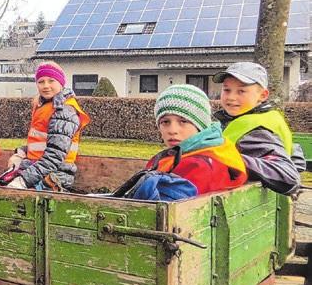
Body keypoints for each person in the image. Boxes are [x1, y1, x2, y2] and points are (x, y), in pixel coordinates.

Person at [122, 84, 247, 201]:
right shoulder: (193, 154)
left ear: (201, 125)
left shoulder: (199, 166)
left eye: (183, 121)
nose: (172, 131)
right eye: (165, 122)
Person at [212, 62, 303, 195]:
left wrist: (230, 160)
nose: (231, 97)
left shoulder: (257, 130)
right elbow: (296, 156)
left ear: (263, 95)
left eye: (241, 91)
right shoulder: (265, 118)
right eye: (227, 90)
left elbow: (289, 176)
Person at [5, 62, 90, 191]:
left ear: (61, 83)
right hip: (37, 170)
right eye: (41, 82)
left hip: (53, 177)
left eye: (51, 81)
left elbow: (54, 155)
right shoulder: (45, 106)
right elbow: (41, 143)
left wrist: (23, 180)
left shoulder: (64, 111)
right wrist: (21, 153)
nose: (46, 86)